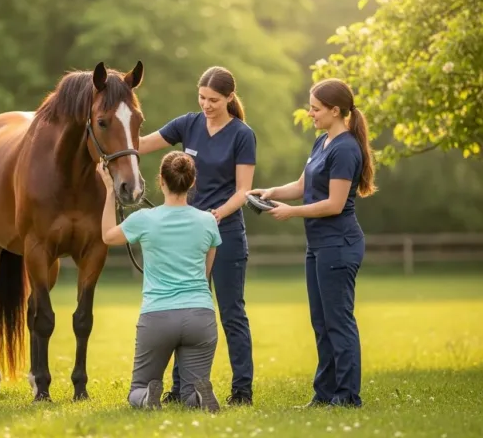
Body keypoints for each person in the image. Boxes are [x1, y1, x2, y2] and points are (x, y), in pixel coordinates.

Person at [248, 78, 376, 408]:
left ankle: (347, 397)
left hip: (339, 244)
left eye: (316, 108)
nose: (310, 113)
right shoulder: (322, 143)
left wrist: (291, 214)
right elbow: (304, 184)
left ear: (336, 111)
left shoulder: (347, 149)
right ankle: (325, 395)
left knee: (338, 321)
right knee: (321, 322)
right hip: (318, 245)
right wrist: (272, 193)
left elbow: (333, 204)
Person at [138, 66, 256, 406]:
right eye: (202, 97)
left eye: (214, 100)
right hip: (187, 238)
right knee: (184, 309)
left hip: (226, 234)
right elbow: (143, 144)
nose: (206, 104)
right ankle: (181, 389)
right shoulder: (187, 124)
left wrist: (215, 215)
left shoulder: (242, 135)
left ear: (230, 98)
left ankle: (242, 390)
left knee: (232, 313)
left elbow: (243, 191)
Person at [99, 151, 221, 412]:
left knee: (138, 387)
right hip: (200, 315)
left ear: (161, 182)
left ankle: (145, 397)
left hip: (158, 317)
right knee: (190, 391)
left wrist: (110, 190)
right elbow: (205, 273)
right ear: (191, 182)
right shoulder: (209, 221)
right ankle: (199, 397)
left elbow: (108, 236)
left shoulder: (143, 219)